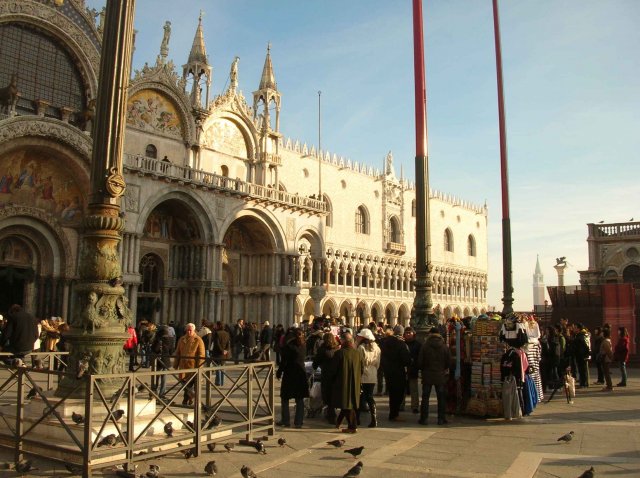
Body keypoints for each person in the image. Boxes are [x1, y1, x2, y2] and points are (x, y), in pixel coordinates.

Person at [417, 327, 451, 426]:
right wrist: (443, 368)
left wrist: (423, 369)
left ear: (430, 334)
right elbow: (449, 361)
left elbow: (420, 362)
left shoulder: (425, 346)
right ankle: (441, 419)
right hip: (440, 375)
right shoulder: (444, 346)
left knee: (425, 397)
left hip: (427, 375)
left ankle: (424, 419)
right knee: (441, 398)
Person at [331, 332, 363, 433]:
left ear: (343, 340)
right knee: (349, 403)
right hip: (355, 383)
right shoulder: (357, 353)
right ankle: (342, 423)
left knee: (346, 404)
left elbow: (333, 370)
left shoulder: (339, 353)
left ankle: (352, 426)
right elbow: (361, 369)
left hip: (342, 383)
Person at [276, 328, 308, 428]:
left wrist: (279, 372)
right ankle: (298, 422)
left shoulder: (289, 346)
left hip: (290, 374)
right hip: (300, 374)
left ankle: (285, 420)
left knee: (285, 398)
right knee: (299, 399)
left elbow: (284, 361)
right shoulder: (303, 345)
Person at [380, 324, 410, 422]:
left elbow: (382, 357)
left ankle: (393, 413)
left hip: (388, 372)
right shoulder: (401, 344)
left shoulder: (385, 342)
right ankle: (394, 414)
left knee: (392, 393)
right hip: (398, 372)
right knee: (398, 394)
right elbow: (406, 360)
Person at [173, 323, 206, 406]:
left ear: (194, 330)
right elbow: (178, 352)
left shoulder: (198, 340)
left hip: (193, 366)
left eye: (190, 330)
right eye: (187, 330)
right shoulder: (182, 339)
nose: (188, 331)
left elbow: (201, 354)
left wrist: (199, 367)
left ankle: (187, 400)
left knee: (192, 385)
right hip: (183, 366)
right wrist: (175, 364)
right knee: (185, 384)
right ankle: (188, 398)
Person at [312, 332, 340, 424]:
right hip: (336, 375)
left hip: (326, 374)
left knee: (327, 394)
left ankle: (330, 414)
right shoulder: (337, 349)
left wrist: (314, 367)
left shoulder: (322, 349)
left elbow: (316, 361)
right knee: (334, 393)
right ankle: (332, 413)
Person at [356, 328, 381, 428]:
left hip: (362, 375)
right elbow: (378, 363)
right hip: (372, 374)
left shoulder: (361, 348)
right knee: (370, 397)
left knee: (359, 396)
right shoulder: (377, 348)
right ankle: (374, 418)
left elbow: (359, 362)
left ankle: (356, 419)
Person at [151, 325, 175, 398]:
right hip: (165, 360)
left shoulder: (157, 339)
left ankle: (155, 393)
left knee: (156, 377)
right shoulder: (171, 339)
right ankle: (162, 393)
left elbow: (154, 349)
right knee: (164, 378)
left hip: (157, 360)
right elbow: (171, 351)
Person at [404, 327, 422, 414]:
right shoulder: (402, 344)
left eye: (409, 333)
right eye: (406, 333)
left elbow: (420, 357)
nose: (408, 334)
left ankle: (415, 406)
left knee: (414, 389)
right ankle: (401, 404)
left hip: (413, 369)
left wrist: (416, 364)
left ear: (413, 334)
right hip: (403, 369)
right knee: (402, 388)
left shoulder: (417, 344)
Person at [210, 321, 231, 386]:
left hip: (218, 353)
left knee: (217, 367)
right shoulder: (227, 333)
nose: (215, 326)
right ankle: (222, 382)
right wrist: (226, 350)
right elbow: (228, 343)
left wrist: (222, 351)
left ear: (219, 326)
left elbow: (217, 343)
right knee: (222, 367)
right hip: (224, 354)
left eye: (216, 325)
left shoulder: (217, 333)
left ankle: (218, 382)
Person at [574, 323, 591, 388]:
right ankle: (583, 382)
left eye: (575, 327)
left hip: (582, 355)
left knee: (582, 370)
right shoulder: (584, 335)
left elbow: (584, 345)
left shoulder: (581, 336)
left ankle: (584, 383)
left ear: (578, 328)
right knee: (582, 369)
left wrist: (585, 353)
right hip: (582, 354)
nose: (574, 329)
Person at [599, 327, 614, 392]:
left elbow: (608, 351)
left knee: (606, 373)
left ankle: (609, 386)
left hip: (605, 359)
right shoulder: (607, 340)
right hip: (606, 359)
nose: (601, 333)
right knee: (606, 372)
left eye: (602, 332)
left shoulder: (605, 341)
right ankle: (609, 385)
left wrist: (611, 358)